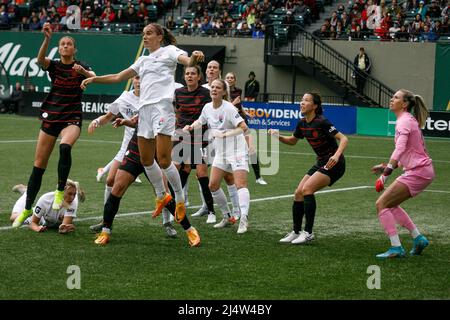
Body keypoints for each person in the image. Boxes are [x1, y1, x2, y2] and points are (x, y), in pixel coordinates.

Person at [80, 23, 204, 225]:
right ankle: (162, 195)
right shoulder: (143, 60)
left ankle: (180, 199)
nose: (144, 37)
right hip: (144, 111)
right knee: (147, 161)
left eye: (148, 34)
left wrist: (194, 58)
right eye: (143, 34)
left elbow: (187, 60)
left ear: (159, 36)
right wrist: (94, 79)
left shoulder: (170, 51)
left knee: (164, 160)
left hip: (162, 108)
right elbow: (119, 77)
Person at [12, 22, 95, 228]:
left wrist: (83, 73)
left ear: (74, 49)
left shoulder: (81, 65)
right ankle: (28, 208)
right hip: (52, 115)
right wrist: (47, 38)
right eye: (62, 44)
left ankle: (59, 191)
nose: (66, 46)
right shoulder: (55, 66)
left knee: (65, 147)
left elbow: (95, 78)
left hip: (72, 116)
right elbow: (40, 60)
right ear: (59, 48)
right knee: (38, 166)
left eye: (69, 44)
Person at [91, 117, 200, 247]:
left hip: (154, 157)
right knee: (117, 187)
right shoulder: (144, 102)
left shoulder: (165, 111)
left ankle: (189, 230)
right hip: (134, 153)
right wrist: (126, 122)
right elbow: (137, 121)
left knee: (164, 195)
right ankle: (105, 231)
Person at [270, 92, 348, 244]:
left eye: (306, 100)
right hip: (321, 162)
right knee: (298, 192)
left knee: (307, 190)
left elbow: (344, 138)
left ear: (315, 106)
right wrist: (278, 136)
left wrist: (336, 155)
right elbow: (293, 141)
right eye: (302, 100)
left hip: (334, 164)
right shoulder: (302, 123)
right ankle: (296, 231)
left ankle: (308, 233)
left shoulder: (322, 122)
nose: (302, 103)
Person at [372, 89, 434, 259]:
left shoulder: (404, 121)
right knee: (390, 205)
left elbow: (400, 149)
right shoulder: (407, 120)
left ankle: (396, 248)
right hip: (421, 170)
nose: (392, 100)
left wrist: (385, 174)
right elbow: (410, 152)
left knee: (381, 204)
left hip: (418, 172)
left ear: (405, 104)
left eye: (396, 98)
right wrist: (387, 165)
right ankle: (418, 238)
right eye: (393, 97)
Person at [184, 79, 251, 234]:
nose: (214, 89)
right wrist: (191, 127)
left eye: (218, 87)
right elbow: (200, 121)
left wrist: (225, 133)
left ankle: (243, 219)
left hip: (237, 151)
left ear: (224, 92)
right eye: (212, 87)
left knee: (240, 184)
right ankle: (227, 216)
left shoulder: (229, 108)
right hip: (221, 152)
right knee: (212, 185)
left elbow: (244, 127)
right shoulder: (207, 107)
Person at [173, 65, 217, 224]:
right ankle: (175, 206)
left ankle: (211, 211)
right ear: (184, 76)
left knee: (201, 173)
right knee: (178, 169)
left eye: (193, 73)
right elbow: (177, 111)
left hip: (199, 136)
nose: (189, 76)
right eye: (187, 73)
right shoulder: (179, 93)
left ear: (199, 77)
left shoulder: (206, 94)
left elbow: (212, 111)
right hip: (182, 136)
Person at [88, 76, 141, 204]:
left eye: (143, 78)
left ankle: (168, 220)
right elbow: (108, 117)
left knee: (161, 185)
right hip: (128, 147)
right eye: (137, 78)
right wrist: (96, 121)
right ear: (132, 80)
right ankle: (106, 217)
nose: (139, 81)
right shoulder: (124, 98)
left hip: (149, 146)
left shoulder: (152, 97)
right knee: (110, 180)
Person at [200, 60, 241, 220]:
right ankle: (208, 207)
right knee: (203, 174)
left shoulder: (226, 100)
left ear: (219, 71)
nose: (211, 70)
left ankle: (237, 212)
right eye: (209, 67)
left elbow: (231, 118)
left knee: (229, 177)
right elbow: (202, 116)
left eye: (214, 67)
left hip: (228, 142)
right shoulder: (201, 88)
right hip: (207, 139)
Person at [225, 72, 268, 185]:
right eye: (228, 78)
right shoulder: (222, 92)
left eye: (231, 78)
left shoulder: (238, 90)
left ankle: (258, 177)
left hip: (242, 122)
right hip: (229, 125)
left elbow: (240, 105)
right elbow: (225, 108)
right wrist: (234, 103)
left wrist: (246, 113)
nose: (229, 79)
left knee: (251, 149)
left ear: (235, 80)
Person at [10, 179, 85, 233]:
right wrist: (37, 228)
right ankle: (26, 191)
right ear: (61, 192)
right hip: (43, 217)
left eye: (74, 194)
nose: (72, 197)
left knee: (74, 198)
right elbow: (33, 222)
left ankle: (76, 189)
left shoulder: (72, 202)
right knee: (14, 218)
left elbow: (64, 226)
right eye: (69, 194)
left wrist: (64, 228)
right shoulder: (45, 199)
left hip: (50, 221)